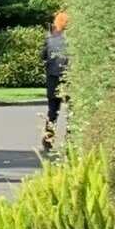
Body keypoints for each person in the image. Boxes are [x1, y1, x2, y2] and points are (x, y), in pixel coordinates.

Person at [43, 10, 70, 152]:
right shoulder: (72, 41)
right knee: (72, 111)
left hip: (53, 77)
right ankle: (70, 140)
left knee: (52, 110)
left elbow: (43, 56)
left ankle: (48, 138)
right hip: (68, 76)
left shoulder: (50, 39)